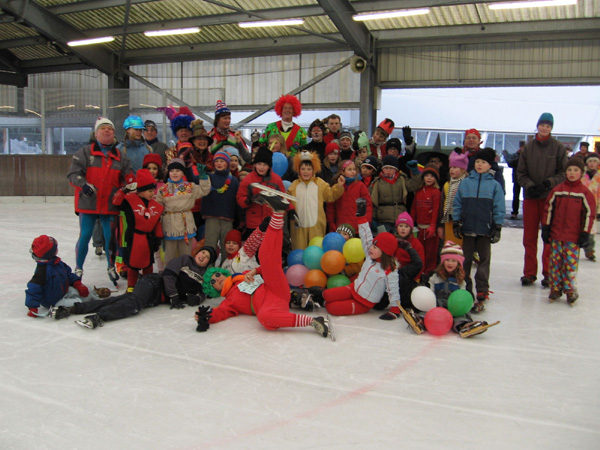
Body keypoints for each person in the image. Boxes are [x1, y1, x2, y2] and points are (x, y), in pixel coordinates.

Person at [195, 194, 333, 339]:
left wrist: (254, 271)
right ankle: (313, 321)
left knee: (265, 257)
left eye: (217, 275)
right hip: (270, 306)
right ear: (213, 289)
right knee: (265, 318)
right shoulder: (228, 302)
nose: (217, 279)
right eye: (213, 281)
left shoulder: (241, 275)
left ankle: (278, 213)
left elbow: (264, 266)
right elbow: (219, 313)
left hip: (273, 287)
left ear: (222, 273)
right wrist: (206, 317)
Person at [50, 245, 218, 328]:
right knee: (134, 304)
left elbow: (204, 292)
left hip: (156, 298)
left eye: (207, 257)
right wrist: (174, 296)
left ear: (209, 263)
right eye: (202, 252)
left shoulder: (204, 277)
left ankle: (73, 309)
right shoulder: (185, 260)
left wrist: (197, 298)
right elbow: (168, 276)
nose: (203, 256)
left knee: (123, 300)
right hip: (153, 284)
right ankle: (100, 317)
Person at [67, 117, 134, 284]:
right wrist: (82, 185)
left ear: (114, 134)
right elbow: (73, 174)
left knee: (110, 237)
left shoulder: (120, 156)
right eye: (103, 128)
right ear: (96, 134)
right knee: (85, 235)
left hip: (110, 204)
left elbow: (128, 176)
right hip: (89, 203)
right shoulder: (84, 152)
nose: (107, 131)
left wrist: (128, 186)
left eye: (110, 128)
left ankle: (111, 266)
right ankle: (79, 268)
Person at [399, 242, 497, 338]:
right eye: (447, 260)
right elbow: (428, 292)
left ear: (459, 263)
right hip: (436, 305)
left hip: (455, 308)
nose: (450, 263)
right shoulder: (434, 275)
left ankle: (465, 326)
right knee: (426, 313)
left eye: (453, 261)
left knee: (460, 316)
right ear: (442, 261)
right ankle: (419, 321)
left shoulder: (464, 279)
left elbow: (467, 296)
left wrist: (468, 304)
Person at [320, 199, 399, 316]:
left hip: (364, 302)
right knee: (327, 295)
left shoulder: (389, 270)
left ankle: (324, 302)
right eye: (372, 245)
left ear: (384, 252)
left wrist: (395, 310)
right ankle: (314, 299)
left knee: (331, 308)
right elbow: (366, 235)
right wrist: (362, 217)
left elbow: (393, 290)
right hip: (354, 288)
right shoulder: (370, 256)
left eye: (375, 247)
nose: (371, 248)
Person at [517, 113, 568, 287]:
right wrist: (529, 185)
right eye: (542, 125)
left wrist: (548, 183)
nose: (544, 128)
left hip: (550, 199)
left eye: (548, 126)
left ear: (551, 128)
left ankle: (549, 273)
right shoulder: (529, 147)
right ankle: (529, 273)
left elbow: (563, 172)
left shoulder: (558, 147)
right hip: (531, 198)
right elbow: (521, 173)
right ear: (537, 126)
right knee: (529, 238)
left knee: (549, 237)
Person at [453, 148, 505, 312]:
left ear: (489, 165)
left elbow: (499, 207)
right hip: (468, 227)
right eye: (477, 162)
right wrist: (456, 221)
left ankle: (482, 288)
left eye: (483, 162)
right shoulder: (465, 183)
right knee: (465, 260)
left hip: (485, 229)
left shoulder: (494, 185)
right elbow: (457, 203)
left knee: (484, 260)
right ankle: (465, 285)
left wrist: (497, 226)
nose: (479, 164)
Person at [542, 157, 596, 305]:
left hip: (573, 237)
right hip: (556, 235)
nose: (572, 173)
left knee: (570, 264)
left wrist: (585, 233)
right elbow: (548, 209)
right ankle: (555, 288)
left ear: (581, 173)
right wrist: (546, 227)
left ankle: (570, 289)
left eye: (576, 170)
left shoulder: (584, 193)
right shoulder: (557, 190)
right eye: (569, 170)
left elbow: (589, 214)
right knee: (555, 263)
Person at [111, 169, 164, 292]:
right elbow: (116, 202)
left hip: (148, 239)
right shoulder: (129, 201)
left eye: (153, 190)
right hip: (133, 238)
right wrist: (124, 190)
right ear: (141, 190)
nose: (153, 193)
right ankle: (131, 286)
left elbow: (157, 223)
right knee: (132, 264)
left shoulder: (155, 205)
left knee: (148, 264)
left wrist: (158, 238)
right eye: (150, 191)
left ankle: (148, 285)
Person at [156, 158, 211, 264]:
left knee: (185, 256)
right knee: (170, 256)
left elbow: (204, 190)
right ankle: (169, 273)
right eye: (172, 171)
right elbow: (158, 208)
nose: (174, 173)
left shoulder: (190, 187)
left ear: (183, 173)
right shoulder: (163, 190)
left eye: (178, 170)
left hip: (186, 225)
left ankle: (185, 273)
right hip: (170, 225)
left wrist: (203, 177)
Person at [287, 150, 344, 249]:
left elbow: (330, 195)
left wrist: (339, 186)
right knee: (299, 249)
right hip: (299, 227)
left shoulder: (320, 183)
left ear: (314, 170)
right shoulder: (294, 185)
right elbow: (287, 200)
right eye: (303, 169)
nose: (306, 171)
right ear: (298, 170)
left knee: (316, 250)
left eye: (309, 169)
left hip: (316, 226)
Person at [25, 235, 92, 318]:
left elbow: (68, 274)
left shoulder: (57, 262)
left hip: (64, 291)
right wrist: (32, 307)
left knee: (88, 291)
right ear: (51, 253)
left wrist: (77, 283)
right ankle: (95, 305)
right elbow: (33, 289)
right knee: (80, 302)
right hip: (53, 301)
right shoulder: (42, 272)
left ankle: (97, 298)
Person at [236, 146, 292, 239]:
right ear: (255, 165)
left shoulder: (276, 179)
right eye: (259, 164)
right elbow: (240, 198)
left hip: (271, 222)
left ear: (269, 166)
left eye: (265, 165)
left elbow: (283, 197)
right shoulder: (248, 180)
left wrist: (291, 209)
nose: (261, 167)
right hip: (254, 224)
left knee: (270, 247)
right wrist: (249, 199)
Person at [200, 150, 240, 252]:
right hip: (211, 217)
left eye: (222, 161)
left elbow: (237, 201)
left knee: (227, 246)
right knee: (210, 245)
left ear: (227, 163)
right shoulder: (208, 177)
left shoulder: (234, 180)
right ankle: (209, 262)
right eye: (216, 161)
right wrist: (189, 168)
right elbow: (193, 179)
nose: (219, 163)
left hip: (228, 218)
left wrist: (240, 219)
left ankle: (226, 262)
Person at [326, 160, 373, 233]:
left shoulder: (361, 186)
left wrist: (367, 221)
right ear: (342, 171)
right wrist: (331, 223)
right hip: (341, 227)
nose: (353, 172)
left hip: (357, 226)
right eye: (349, 169)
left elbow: (368, 205)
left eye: (354, 169)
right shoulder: (337, 186)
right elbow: (330, 206)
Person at [411, 164, 441, 273]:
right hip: (419, 228)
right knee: (420, 252)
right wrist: (411, 224)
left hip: (430, 229)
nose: (429, 178)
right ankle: (420, 272)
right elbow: (414, 208)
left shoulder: (436, 192)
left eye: (432, 176)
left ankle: (429, 273)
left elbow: (436, 210)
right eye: (427, 175)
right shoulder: (418, 191)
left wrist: (433, 226)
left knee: (430, 253)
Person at [371, 155, 410, 233]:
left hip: (400, 217)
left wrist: (415, 173)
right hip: (383, 218)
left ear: (396, 169)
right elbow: (373, 201)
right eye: (386, 168)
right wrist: (373, 217)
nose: (388, 170)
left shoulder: (402, 179)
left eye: (391, 168)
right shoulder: (377, 182)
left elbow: (413, 186)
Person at [439, 151, 469, 245]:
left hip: (463, 223)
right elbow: (442, 206)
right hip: (448, 222)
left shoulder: (468, 184)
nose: (451, 170)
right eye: (450, 167)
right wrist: (440, 225)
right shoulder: (447, 185)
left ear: (463, 169)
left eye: (455, 167)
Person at [581, 152, 600, 261]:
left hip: (593, 207)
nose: (592, 164)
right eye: (590, 161)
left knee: (591, 229)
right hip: (580, 206)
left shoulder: (599, 177)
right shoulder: (581, 175)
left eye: (595, 162)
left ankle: (589, 250)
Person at [506, 140, 525, 219]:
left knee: (526, 196)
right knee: (516, 196)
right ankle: (514, 212)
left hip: (526, 178)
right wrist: (519, 155)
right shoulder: (516, 155)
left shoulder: (529, 155)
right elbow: (510, 163)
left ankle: (525, 212)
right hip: (517, 178)